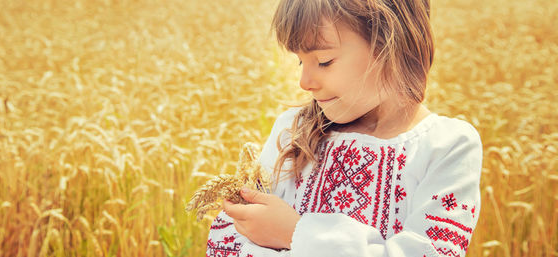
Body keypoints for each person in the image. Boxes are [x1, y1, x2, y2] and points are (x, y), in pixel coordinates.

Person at [206, 0, 482, 256]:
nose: (304, 81)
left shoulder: (447, 147)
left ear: (390, 44)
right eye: (301, 61)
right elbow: (227, 239)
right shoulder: (292, 131)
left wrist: (294, 234)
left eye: (324, 61)